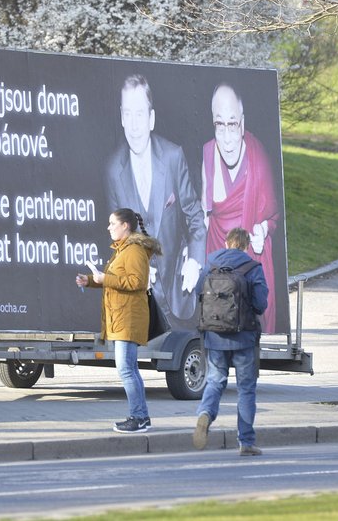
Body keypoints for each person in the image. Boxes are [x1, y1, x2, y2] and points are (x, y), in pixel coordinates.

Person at [104, 75, 205, 327]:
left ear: (151, 119)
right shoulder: (112, 170)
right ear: (121, 118)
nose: (134, 125)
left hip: (179, 294)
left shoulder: (173, 156)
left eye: (140, 114)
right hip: (140, 300)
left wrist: (194, 260)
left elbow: (195, 216)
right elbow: (117, 238)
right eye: (129, 114)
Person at [201, 83, 279, 333]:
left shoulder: (258, 157)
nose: (226, 136)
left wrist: (263, 229)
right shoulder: (208, 153)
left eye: (232, 124)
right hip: (218, 260)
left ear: (242, 124)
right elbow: (205, 213)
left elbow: (273, 215)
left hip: (250, 259)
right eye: (219, 124)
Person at [76, 208, 162, 433]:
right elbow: (116, 279)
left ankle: (138, 417)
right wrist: (92, 281)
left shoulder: (133, 250)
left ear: (126, 226)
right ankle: (141, 416)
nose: (108, 227)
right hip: (122, 317)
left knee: (125, 369)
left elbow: (136, 282)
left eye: (112, 223)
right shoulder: (123, 249)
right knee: (129, 369)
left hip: (128, 318)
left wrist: (106, 279)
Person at [191, 227, 268, 456]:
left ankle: (205, 413)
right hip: (243, 336)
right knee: (246, 389)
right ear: (245, 246)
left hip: (214, 336)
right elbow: (261, 304)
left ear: (226, 243)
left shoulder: (211, 265)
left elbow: (198, 293)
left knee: (215, 381)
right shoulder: (252, 268)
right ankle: (245, 442)